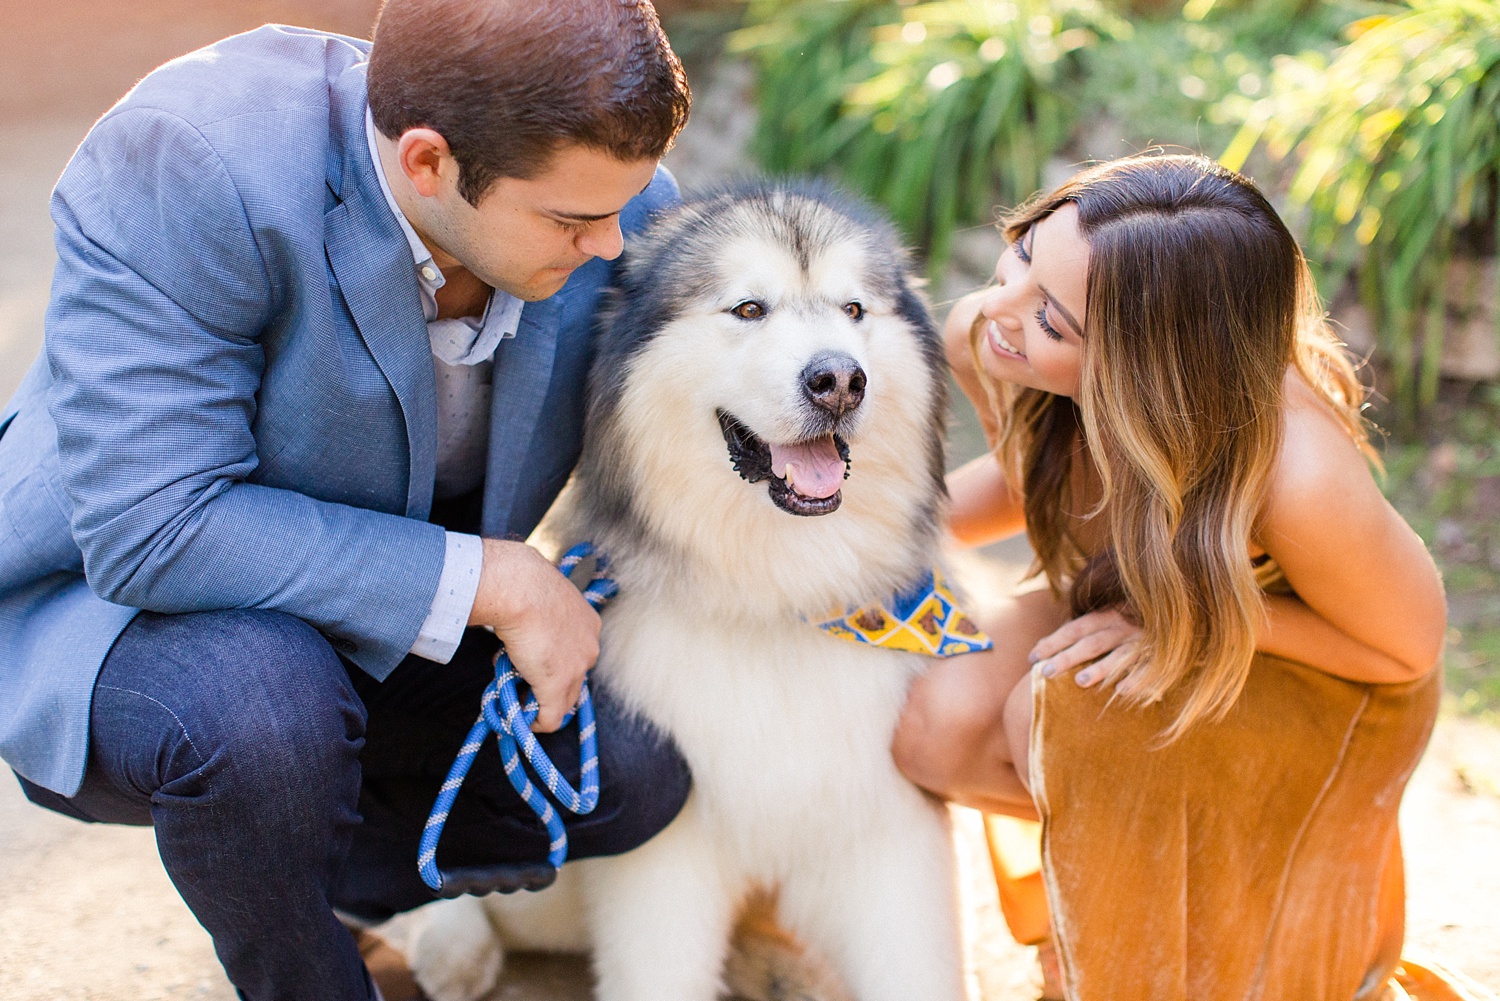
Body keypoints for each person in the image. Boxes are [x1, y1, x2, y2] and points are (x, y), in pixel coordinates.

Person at [0, 1, 694, 998]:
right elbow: (150, 525)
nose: (611, 246)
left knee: (638, 752)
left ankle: (295, 877)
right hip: (125, 614)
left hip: (380, 620)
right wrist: (491, 577)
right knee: (267, 718)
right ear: (426, 163)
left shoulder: (601, 200)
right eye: (573, 221)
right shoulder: (192, 159)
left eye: (622, 209)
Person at [892, 154, 1448, 1000]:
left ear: (1149, 364)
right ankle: (1120, 890)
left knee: (1047, 708)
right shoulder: (1002, 331)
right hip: (1157, 594)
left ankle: (1180, 927)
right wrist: (852, 530)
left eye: (1051, 318)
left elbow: (1406, 651)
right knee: (929, 718)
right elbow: (1046, 471)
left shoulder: (1297, 478)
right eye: (1022, 254)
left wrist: (1187, 625)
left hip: (1319, 665)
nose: (1001, 309)